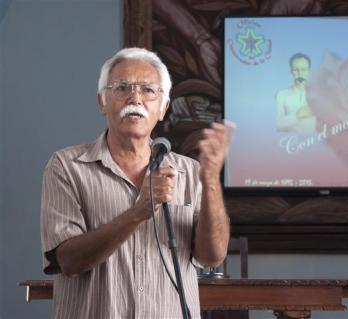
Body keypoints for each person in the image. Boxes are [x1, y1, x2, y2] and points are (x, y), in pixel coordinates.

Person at [40, 47, 231, 319]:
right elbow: (68, 261)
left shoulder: (190, 172)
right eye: (122, 88)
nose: (135, 98)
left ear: (164, 107)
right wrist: (138, 213)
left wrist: (211, 181)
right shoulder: (67, 167)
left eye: (148, 90)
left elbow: (212, 257)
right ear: (102, 101)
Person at [275, 53, 315, 133]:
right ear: (291, 71)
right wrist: (297, 115)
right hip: (291, 143)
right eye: (296, 70)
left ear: (309, 71)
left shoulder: (320, 95)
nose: (300, 74)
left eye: (303, 69)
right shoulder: (281, 94)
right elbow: (277, 125)